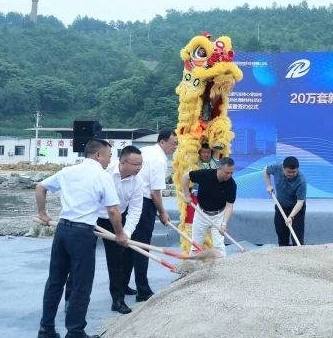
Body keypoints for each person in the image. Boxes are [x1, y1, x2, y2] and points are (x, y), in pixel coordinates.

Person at [35, 139, 127, 338]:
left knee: (55, 280)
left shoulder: (68, 171)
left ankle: (46, 327)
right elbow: (113, 210)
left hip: (63, 230)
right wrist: (120, 234)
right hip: (82, 233)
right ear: (98, 155)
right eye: (108, 156)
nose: (109, 160)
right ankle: (75, 332)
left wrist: (42, 214)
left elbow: (40, 187)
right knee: (81, 283)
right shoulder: (102, 176)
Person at [127, 131, 175, 302]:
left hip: (130, 200)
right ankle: (143, 290)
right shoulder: (160, 159)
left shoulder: (146, 150)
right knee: (142, 247)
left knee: (129, 245)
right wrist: (162, 212)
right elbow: (155, 192)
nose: (175, 147)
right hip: (143, 203)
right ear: (162, 142)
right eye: (173, 143)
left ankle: (123, 285)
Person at [101, 146, 144, 314]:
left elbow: (135, 210)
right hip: (94, 218)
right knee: (82, 261)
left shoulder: (138, 182)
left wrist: (125, 233)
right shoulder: (104, 173)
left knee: (117, 262)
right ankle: (70, 298)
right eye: (135, 164)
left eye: (140, 164)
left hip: (117, 221)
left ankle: (118, 300)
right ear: (123, 162)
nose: (138, 168)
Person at [180, 156, 237, 256]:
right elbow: (185, 176)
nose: (229, 175)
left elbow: (229, 206)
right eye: (227, 172)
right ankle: (192, 265)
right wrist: (186, 195)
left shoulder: (232, 185)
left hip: (219, 215)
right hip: (201, 213)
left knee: (219, 246)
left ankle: (222, 265)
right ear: (219, 168)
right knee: (196, 245)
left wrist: (224, 224)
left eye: (231, 173)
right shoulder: (205, 174)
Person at [264, 156, 306, 246]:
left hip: (296, 208)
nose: (291, 174)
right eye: (288, 172)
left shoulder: (301, 181)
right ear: (283, 168)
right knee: (281, 234)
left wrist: (291, 217)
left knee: (297, 237)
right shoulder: (276, 168)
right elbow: (265, 170)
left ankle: (299, 253)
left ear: (298, 169)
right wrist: (268, 185)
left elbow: (300, 202)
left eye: (294, 172)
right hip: (281, 206)